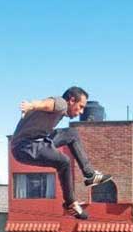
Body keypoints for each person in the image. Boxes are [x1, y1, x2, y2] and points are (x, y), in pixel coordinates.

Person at [11, 86, 113, 220]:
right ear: (71, 100)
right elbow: (47, 104)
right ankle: (70, 203)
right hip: (25, 146)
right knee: (64, 161)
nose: (81, 112)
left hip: (39, 140)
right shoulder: (61, 104)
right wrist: (31, 105)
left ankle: (90, 174)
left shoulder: (62, 108)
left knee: (72, 134)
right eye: (80, 107)